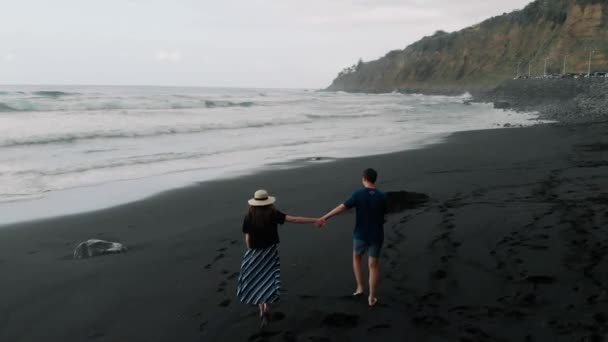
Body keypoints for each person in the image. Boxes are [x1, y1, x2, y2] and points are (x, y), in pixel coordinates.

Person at [237, 189, 323, 327]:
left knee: (257, 278)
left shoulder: (249, 216)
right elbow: (294, 219)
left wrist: (250, 250)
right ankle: (267, 308)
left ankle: (262, 310)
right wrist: (315, 220)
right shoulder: (272, 214)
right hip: (270, 251)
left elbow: (247, 236)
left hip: (254, 252)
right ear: (268, 202)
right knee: (268, 278)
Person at [321, 168, 388, 307]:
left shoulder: (358, 194)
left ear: (363, 178)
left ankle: (359, 287)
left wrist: (325, 217)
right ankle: (372, 297)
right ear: (374, 179)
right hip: (376, 234)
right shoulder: (382, 196)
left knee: (357, 258)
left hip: (360, 234)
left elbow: (342, 207)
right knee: (373, 266)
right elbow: (383, 215)